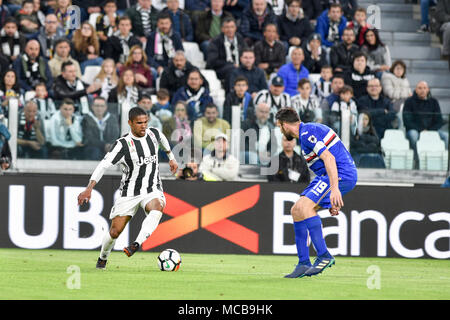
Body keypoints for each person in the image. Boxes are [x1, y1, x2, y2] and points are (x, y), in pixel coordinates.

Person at [77, 106, 179, 270]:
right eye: (139, 123)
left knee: (158, 207)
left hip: (152, 188)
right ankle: (103, 258)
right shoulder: (122, 145)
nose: (143, 126)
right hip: (129, 193)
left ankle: (136, 244)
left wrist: (171, 158)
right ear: (130, 123)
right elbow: (103, 165)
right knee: (115, 232)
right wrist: (89, 188)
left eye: (145, 122)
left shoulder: (153, 133)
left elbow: (163, 140)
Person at [275, 106, 357, 278]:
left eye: (279, 126)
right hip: (328, 176)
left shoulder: (306, 133)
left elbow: (329, 158)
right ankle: (303, 263)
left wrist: (334, 189)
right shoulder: (307, 133)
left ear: (285, 125)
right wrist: (330, 197)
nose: (280, 131)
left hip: (340, 174)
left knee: (305, 207)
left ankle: (323, 255)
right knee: (297, 210)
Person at [403, 81, 448, 159]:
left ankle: (444, 159)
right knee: (413, 136)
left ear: (428, 90)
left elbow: (438, 120)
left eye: (424, 88)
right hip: (415, 130)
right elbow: (407, 121)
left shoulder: (434, 102)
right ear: (416, 90)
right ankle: (416, 158)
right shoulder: (409, 101)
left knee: (446, 136)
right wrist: (421, 130)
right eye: (420, 88)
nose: (422, 90)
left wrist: (429, 130)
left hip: (431, 130)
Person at [206, 16, 246, 82]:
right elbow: (212, 61)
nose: (230, 30)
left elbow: (246, 53)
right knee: (233, 70)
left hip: (239, 66)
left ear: (235, 28)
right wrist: (231, 65)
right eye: (227, 27)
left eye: (232, 27)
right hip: (221, 69)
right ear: (222, 29)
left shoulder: (240, 39)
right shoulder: (216, 41)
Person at [145, 11, 184, 77]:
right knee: (152, 71)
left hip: (173, 64)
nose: (164, 26)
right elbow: (148, 56)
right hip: (157, 65)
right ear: (158, 24)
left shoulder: (175, 35)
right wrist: (157, 67)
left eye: (166, 23)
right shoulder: (152, 36)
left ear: (170, 23)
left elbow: (180, 52)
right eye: (162, 23)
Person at [81, 96, 120, 160]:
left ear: (106, 107)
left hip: (109, 146)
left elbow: (115, 134)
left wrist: (110, 144)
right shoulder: (87, 119)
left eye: (102, 106)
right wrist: (104, 145)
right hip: (92, 147)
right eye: (97, 106)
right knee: (95, 152)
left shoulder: (112, 118)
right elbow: (88, 137)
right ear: (92, 107)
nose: (99, 108)